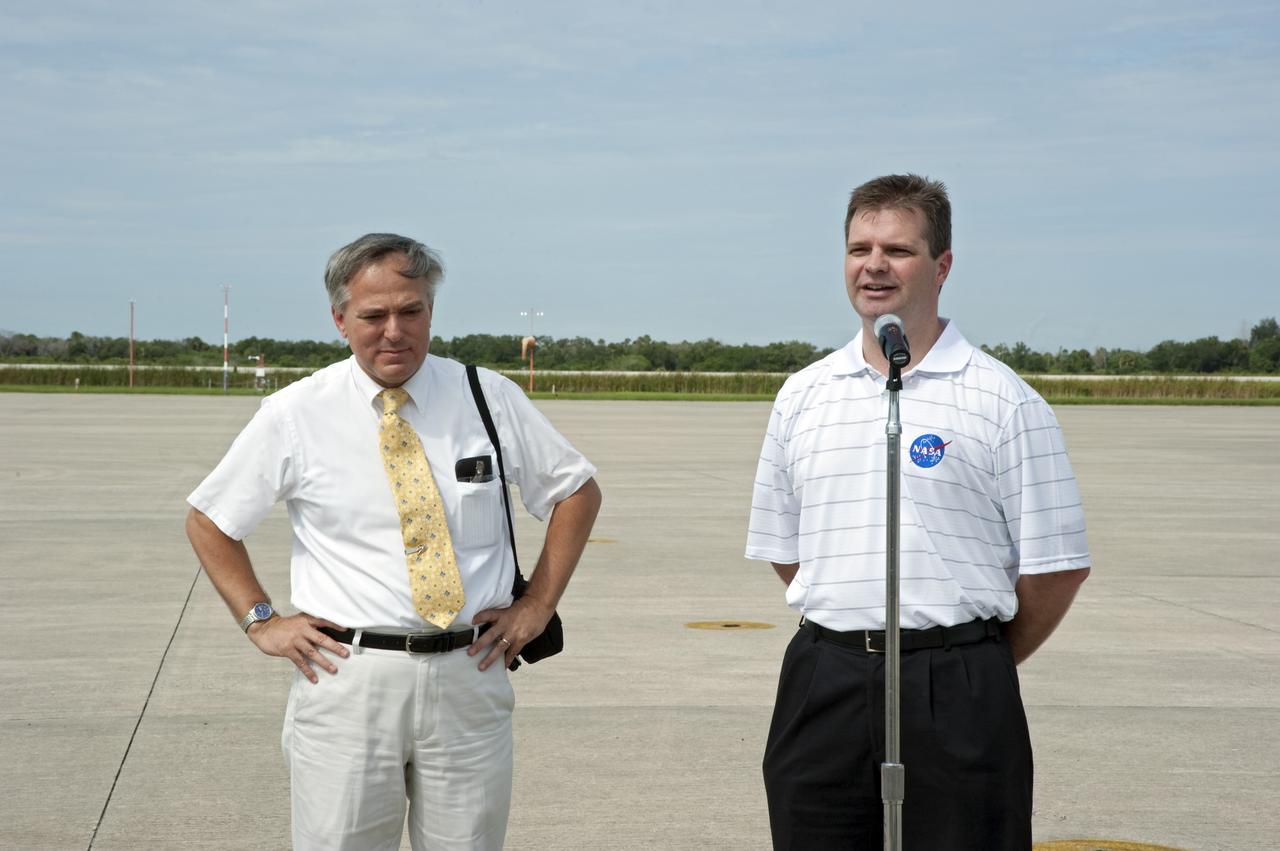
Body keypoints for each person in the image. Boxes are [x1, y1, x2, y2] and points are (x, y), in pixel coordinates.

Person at [186, 233, 602, 851]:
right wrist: (261, 619)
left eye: (411, 311)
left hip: (470, 673)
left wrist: (537, 606)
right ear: (339, 319)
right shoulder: (296, 412)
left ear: (431, 311)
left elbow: (576, 491)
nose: (394, 331)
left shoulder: (487, 397)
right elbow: (210, 520)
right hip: (348, 678)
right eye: (373, 315)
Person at [745, 174, 1090, 850]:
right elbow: (786, 550)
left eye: (898, 250)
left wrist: (970, 660)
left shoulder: (1004, 400)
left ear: (942, 265)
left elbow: (1056, 567)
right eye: (859, 248)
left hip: (958, 681)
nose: (874, 265)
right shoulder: (803, 395)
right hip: (826, 677)